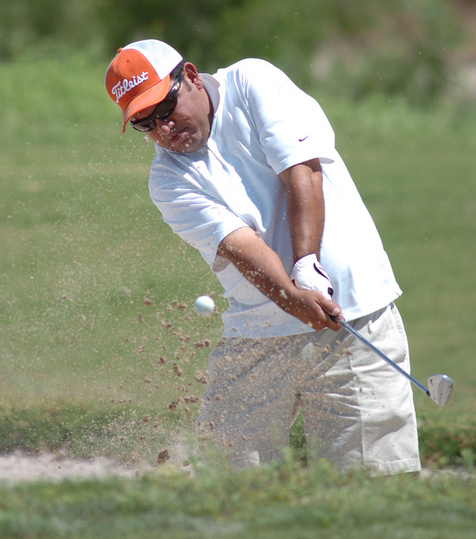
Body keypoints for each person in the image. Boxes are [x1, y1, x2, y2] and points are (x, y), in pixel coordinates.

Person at [105, 39, 421, 475]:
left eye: (166, 107)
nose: (164, 127)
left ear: (191, 77)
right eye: (146, 123)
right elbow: (242, 245)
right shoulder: (167, 179)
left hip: (352, 312)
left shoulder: (253, 82)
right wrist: (292, 295)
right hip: (256, 331)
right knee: (227, 480)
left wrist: (306, 264)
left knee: (368, 485)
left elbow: (302, 172)